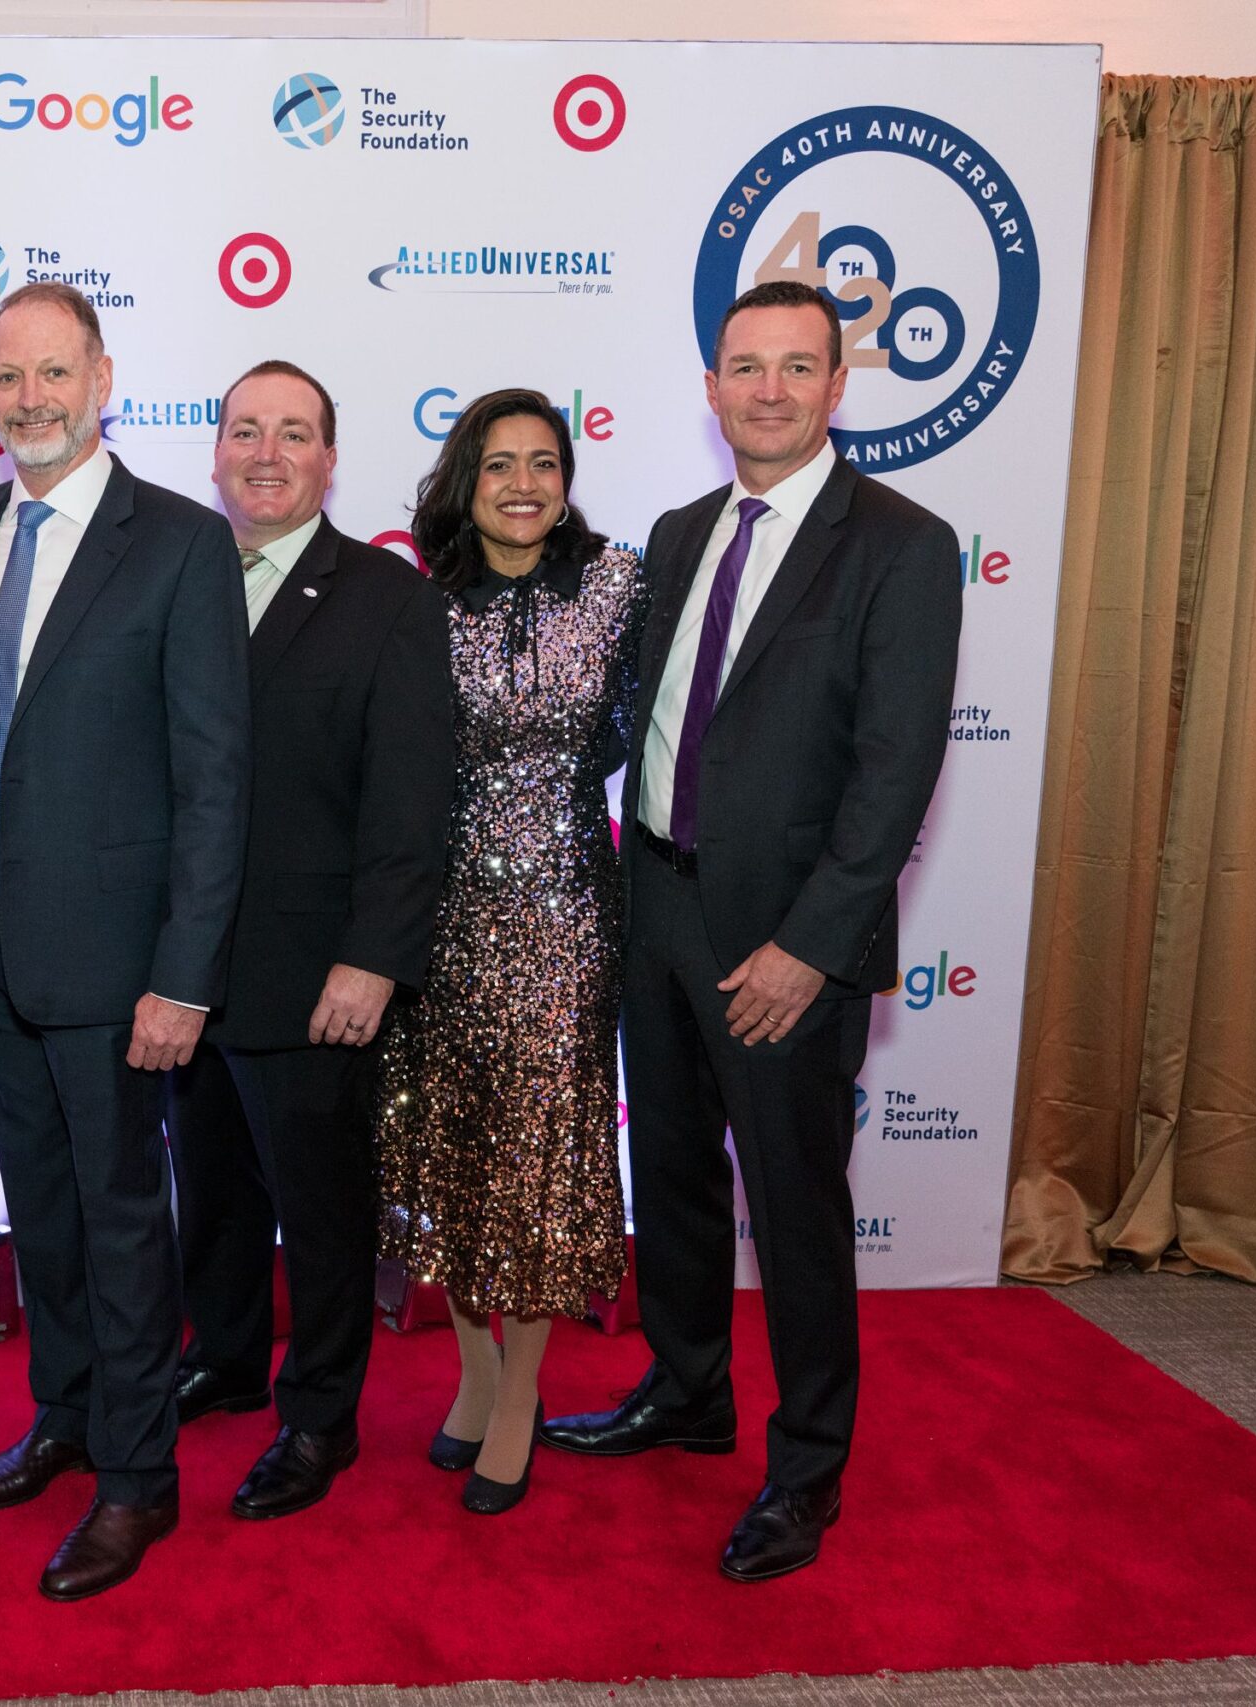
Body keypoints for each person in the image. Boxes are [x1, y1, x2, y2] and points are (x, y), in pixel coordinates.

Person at [538, 280, 962, 1582]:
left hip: (785, 939)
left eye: (794, 366)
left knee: (794, 1208)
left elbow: (893, 775)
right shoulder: (679, 534)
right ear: (712, 386)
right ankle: (687, 1390)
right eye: (744, 365)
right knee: (668, 1170)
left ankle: (807, 1466)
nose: (767, 389)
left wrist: (811, 947)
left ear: (836, 385)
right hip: (655, 901)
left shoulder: (900, 544)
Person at [0, 282, 250, 1600]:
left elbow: (216, 779)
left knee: (122, 1218)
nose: (31, 400)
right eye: (9, 377)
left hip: (121, 961)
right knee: (43, 1200)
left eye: (54, 373)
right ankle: (64, 1414)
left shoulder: (179, 541)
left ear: (104, 379)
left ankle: (136, 1477)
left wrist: (184, 974)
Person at [165, 361, 454, 1519]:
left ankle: (321, 1417)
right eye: (245, 431)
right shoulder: (176, 576)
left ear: (330, 460)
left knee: (322, 1209)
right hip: (183, 965)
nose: (266, 453)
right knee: (212, 1186)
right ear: (216, 451)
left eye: (293, 433)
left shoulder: (388, 598)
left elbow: (410, 800)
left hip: (316, 967)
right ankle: (227, 1358)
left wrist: (375, 956)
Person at [372, 387, 650, 1517]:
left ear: (567, 480)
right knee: (453, 1149)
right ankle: (476, 1370)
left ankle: (523, 1393)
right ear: (466, 481)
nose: (524, 484)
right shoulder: (421, 601)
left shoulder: (622, 585)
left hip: (568, 916)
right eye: (500, 465)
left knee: (538, 1163)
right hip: (444, 916)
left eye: (544, 462)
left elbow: (656, 729)